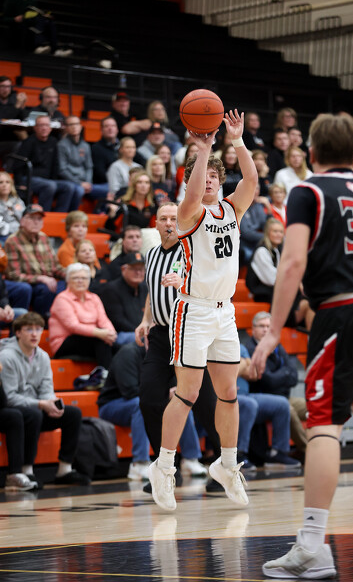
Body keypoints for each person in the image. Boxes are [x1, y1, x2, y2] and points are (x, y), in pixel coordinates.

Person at [251, 113, 353, 579]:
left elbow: (293, 261)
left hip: (343, 310)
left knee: (322, 424)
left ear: (312, 152)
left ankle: (312, 546)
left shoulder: (307, 191)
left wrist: (272, 331)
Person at [147, 109, 258, 511]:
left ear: (220, 180)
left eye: (213, 175)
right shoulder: (188, 212)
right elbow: (192, 196)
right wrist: (203, 148)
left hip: (224, 312)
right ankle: (163, 467)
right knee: (189, 392)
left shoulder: (232, 209)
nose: (208, 180)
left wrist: (238, 141)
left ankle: (227, 465)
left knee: (229, 393)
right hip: (192, 312)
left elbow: (252, 181)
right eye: (201, 175)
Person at [136, 202, 221, 489]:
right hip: (161, 336)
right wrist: (145, 320)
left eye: (174, 218)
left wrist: (182, 282)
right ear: (156, 224)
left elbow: (211, 288)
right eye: (164, 219)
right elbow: (152, 292)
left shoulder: (192, 250)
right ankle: (165, 469)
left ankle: (224, 465)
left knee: (206, 404)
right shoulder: (151, 254)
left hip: (189, 333)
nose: (169, 223)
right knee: (148, 399)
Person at [0, 311, 90, 487]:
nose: (34, 334)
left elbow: (47, 388)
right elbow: (9, 398)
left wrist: (51, 403)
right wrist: (41, 404)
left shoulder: (42, 356)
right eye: (29, 329)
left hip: (35, 408)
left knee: (72, 413)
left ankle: (65, 469)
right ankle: (27, 470)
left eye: (38, 329)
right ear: (18, 332)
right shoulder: (7, 356)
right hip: (17, 409)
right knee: (34, 413)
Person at [243, 312, 307, 460]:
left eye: (268, 326)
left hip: (285, 397)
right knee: (288, 409)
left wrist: (281, 375)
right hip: (265, 399)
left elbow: (294, 377)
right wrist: (285, 374)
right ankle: (308, 450)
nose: (265, 330)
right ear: (253, 329)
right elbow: (267, 381)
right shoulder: (251, 349)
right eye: (261, 326)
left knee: (313, 407)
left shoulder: (277, 346)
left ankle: (316, 445)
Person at [236, 343, 302, 470]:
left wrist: (237, 367)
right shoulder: (215, 345)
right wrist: (244, 363)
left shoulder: (241, 347)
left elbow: (254, 374)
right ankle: (239, 454)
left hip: (246, 395)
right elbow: (224, 373)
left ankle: (278, 453)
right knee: (249, 405)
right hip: (225, 396)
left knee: (282, 404)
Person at [246, 217, 314, 330]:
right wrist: (296, 282)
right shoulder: (261, 251)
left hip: (278, 292)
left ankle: (307, 333)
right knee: (307, 302)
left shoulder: (279, 249)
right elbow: (272, 279)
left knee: (312, 300)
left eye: (281, 232)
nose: (279, 234)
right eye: (275, 231)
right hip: (266, 295)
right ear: (267, 233)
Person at [97, 342, 151, 481]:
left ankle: (189, 459)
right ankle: (139, 463)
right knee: (140, 404)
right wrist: (161, 394)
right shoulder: (128, 353)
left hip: (141, 400)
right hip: (111, 404)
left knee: (179, 402)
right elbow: (130, 391)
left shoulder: (163, 356)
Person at [49, 263, 116, 369]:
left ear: (89, 281)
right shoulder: (62, 299)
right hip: (65, 342)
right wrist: (100, 333)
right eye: (76, 278)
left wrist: (111, 332)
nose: (80, 281)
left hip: (92, 338)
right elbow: (73, 326)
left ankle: (111, 375)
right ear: (68, 281)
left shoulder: (94, 298)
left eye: (84, 278)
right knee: (101, 342)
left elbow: (103, 320)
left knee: (119, 347)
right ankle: (106, 375)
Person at [5, 204, 65, 317]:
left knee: (73, 282)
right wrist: (40, 278)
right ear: (22, 221)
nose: (36, 222)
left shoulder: (44, 238)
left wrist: (72, 274)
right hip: (28, 283)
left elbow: (55, 267)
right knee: (43, 289)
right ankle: (39, 320)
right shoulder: (12, 241)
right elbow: (13, 275)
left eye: (39, 219)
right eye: (32, 218)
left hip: (47, 281)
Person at [12, 115, 77, 212]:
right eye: (41, 125)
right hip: (29, 178)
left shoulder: (53, 142)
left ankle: (60, 214)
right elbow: (18, 164)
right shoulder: (28, 142)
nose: (44, 128)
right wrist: (20, 183)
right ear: (35, 128)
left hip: (48, 180)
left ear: (50, 128)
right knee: (50, 186)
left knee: (69, 187)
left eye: (46, 125)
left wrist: (54, 180)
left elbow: (55, 165)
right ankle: (43, 214)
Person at [2, 0, 72, 57]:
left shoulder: (32, 0)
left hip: (31, 22)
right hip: (19, 25)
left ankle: (55, 49)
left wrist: (43, 16)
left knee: (48, 22)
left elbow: (34, 13)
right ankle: (39, 46)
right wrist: (14, 19)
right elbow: (4, 18)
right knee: (36, 24)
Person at [100, 252, 147, 346]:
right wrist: (141, 332)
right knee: (149, 341)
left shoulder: (145, 288)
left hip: (142, 333)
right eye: (134, 269)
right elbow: (118, 321)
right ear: (123, 269)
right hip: (121, 334)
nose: (138, 273)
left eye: (141, 269)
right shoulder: (111, 289)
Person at [57, 115, 93, 205]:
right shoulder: (61, 145)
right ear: (66, 128)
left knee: (106, 190)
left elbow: (89, 167)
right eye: (71, 124)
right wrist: (80, 183)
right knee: (79, 190)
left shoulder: (86, 146)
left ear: (81, 126)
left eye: (76, 124)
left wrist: (88, 182)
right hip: (70, 181)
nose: (74, 127)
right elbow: (62, 170)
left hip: (85, 182)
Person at [0, 76, 28, 163]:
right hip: (2, 137)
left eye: (8, 86)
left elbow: (24, 119)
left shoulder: (13, 99)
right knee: (19, 145)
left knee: (27, 140)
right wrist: (17, 106)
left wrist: (22, 106)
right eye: (3, 86)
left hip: (12, 136)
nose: (6, 89)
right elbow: (3, 119)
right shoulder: (15, 102)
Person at [91, 117, 120, 199]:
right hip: (105, 184)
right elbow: (100, 174)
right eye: (106, 126)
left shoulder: (123, 146)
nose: (110, 128)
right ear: (101, 130)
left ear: (117, 129)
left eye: (113, 126)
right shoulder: (96, 148)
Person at [106, 136, 142, 200]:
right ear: (121, 149)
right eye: (128, 147)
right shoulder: (115, 166)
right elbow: (114, 189)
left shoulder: (139, 167)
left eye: (133, 147)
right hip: (121, 199)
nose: (131, 150)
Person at [239, 183, 267, 265]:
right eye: (252, 188)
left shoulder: (258, 205)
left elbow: (265, 225)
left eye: (257, 189)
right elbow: (245, 233)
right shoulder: (240, 205)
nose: (255, 191)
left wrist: (268, 207)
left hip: (257, 241)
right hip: (242, 242)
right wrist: (266, 237)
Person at [0, 171, 25, 245]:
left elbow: (24, 219)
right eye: (1, 182)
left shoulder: (17, 200)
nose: (4, 185)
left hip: (19, 235)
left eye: (7, 182)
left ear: (11, 185)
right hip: (3, 238)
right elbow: (2, 229)